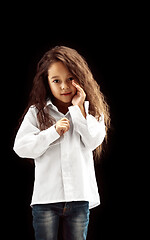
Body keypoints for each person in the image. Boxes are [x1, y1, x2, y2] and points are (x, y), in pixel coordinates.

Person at [13, 46, 110, 240]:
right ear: (47, 82)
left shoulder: (92, 113)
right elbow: (21, 147)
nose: (64, 87)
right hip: (46, 199)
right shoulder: (37, 113)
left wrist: (78, 110)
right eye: (56, 81)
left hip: (79, 198)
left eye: (70, 79)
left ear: (80, 79)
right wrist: (52, 132)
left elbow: (92, 141)